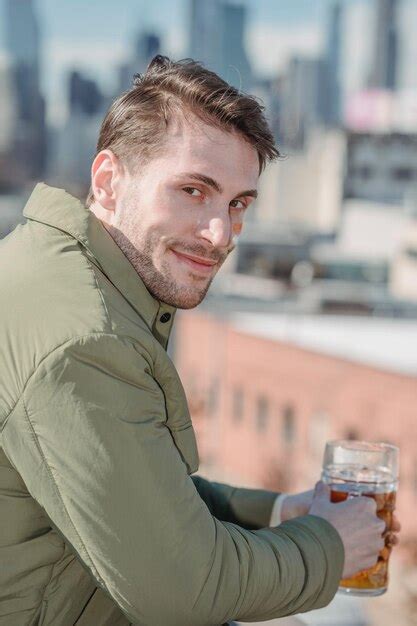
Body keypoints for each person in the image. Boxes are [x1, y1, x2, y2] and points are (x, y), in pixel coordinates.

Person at [0, 56, 400, 626]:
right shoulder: (87, 340)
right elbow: (184, 591)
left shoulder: (58, 271)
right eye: (192, 190)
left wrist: (284, 511)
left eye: (238, 204)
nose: (220, 234)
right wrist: (333, 548)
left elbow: (142, 491)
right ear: (108, 181)